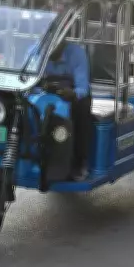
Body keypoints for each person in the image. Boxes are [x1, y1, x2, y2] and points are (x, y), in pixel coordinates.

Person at [40, 39, 92, 181]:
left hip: (70, 95)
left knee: (81, 107)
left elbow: (82, 88)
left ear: (61, 42)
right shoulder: (36, 51)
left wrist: (73, 93)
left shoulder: (76, 53)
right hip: (43, 94)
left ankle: (79, 163)